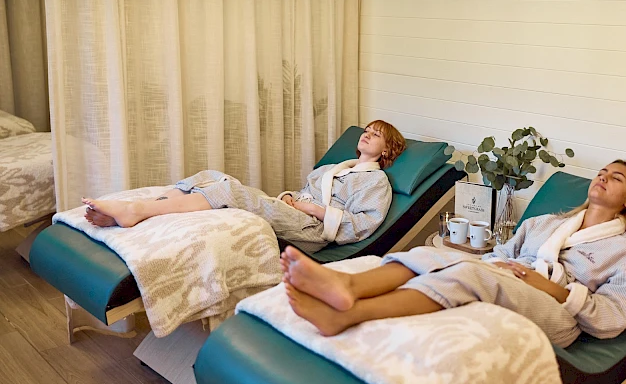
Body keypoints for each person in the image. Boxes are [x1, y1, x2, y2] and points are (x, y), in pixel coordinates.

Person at [280, 160, 626, 346]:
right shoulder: (543, 223)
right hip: (510, 278)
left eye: (615, 178)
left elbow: (614, 315)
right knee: (434, 256)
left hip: (559, 316)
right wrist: (488, 264)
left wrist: (556, 290)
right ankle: (348, 283)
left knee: (470, 273)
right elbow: (503, 253)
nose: (602, 177)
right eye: (602, 172)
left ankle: (349, 315)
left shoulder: (625, 252)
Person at [83, 120, 407, 253]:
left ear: (387, 149)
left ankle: (135, 211)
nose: (365, 134)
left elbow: (362, 225)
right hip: (297, 215)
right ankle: (146, 211)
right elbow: (300, 192)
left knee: (230, 191)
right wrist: (291, 198)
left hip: (315, 232)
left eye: (375, 134)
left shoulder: (376, 182)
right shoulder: (334, 169)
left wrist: (311, 208)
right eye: (365, 130)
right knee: (210, 174)